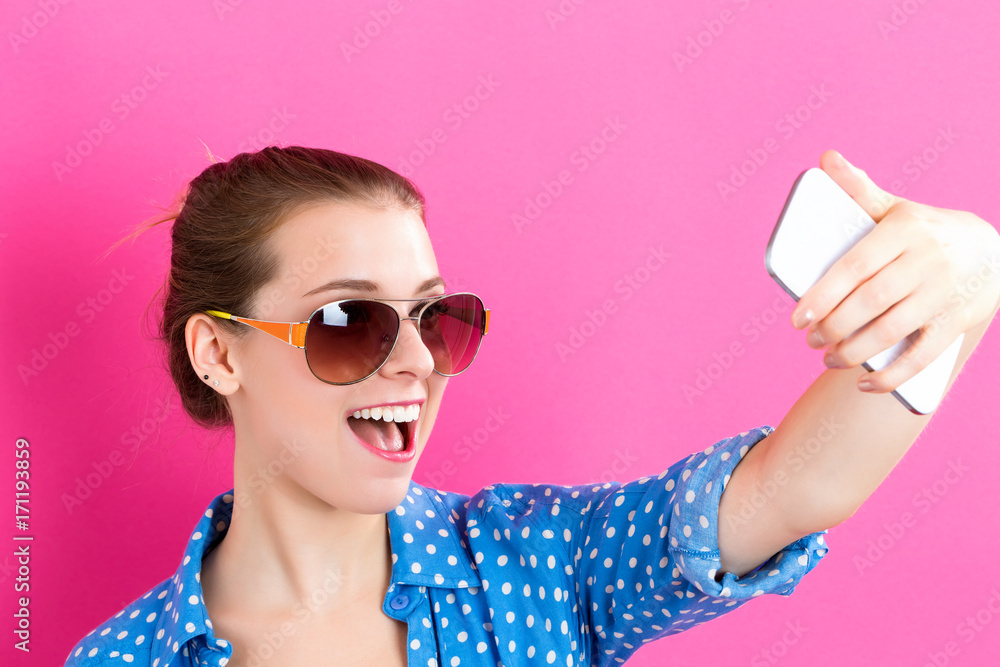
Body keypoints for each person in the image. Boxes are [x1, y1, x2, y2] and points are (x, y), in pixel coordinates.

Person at [64, 146, 1000, 666]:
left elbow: (792, 491)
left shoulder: (536, 563)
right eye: (348, 320)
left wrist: (972, 270)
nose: (414, 361)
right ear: (219, 350)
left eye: (436, 317)